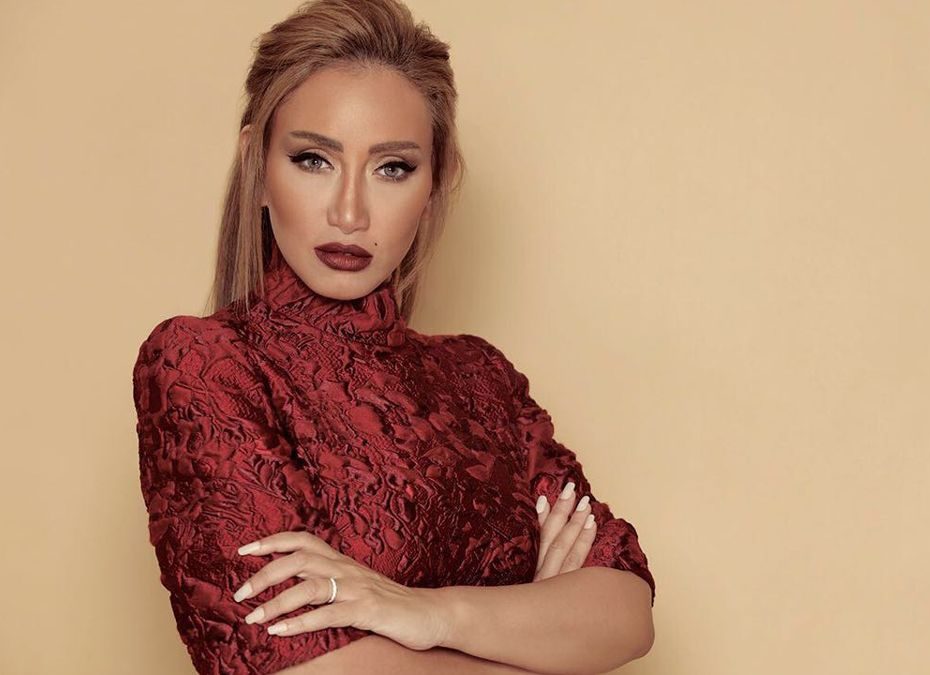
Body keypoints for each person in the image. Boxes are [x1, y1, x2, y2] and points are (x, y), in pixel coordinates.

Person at [131, 1, 655, 673]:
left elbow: (626, 613)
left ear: (435, 185)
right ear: (256, 167)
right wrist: (537, 643)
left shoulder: (481, 377)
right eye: (313, 159)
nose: (349, 212)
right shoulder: (203, 364)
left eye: (393, 168)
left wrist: (422, 612)